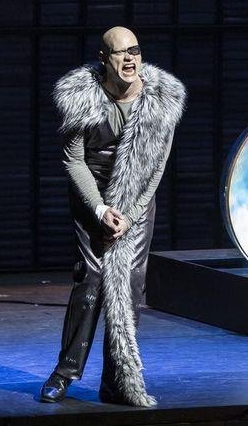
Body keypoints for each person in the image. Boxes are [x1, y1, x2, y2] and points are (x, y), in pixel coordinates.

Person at [39, 27, 186, 405]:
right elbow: (73, 160)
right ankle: (65, 372)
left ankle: (117, 381)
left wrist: (131, 214)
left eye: (135, 51)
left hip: (135, 203)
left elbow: (156, 168)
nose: (130, 59)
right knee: (91, 281)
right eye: (120, 53)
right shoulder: (81, 98)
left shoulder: (162, 101)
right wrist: (101, 209)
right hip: (93, 199)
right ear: (104, 59)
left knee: (131, 288)